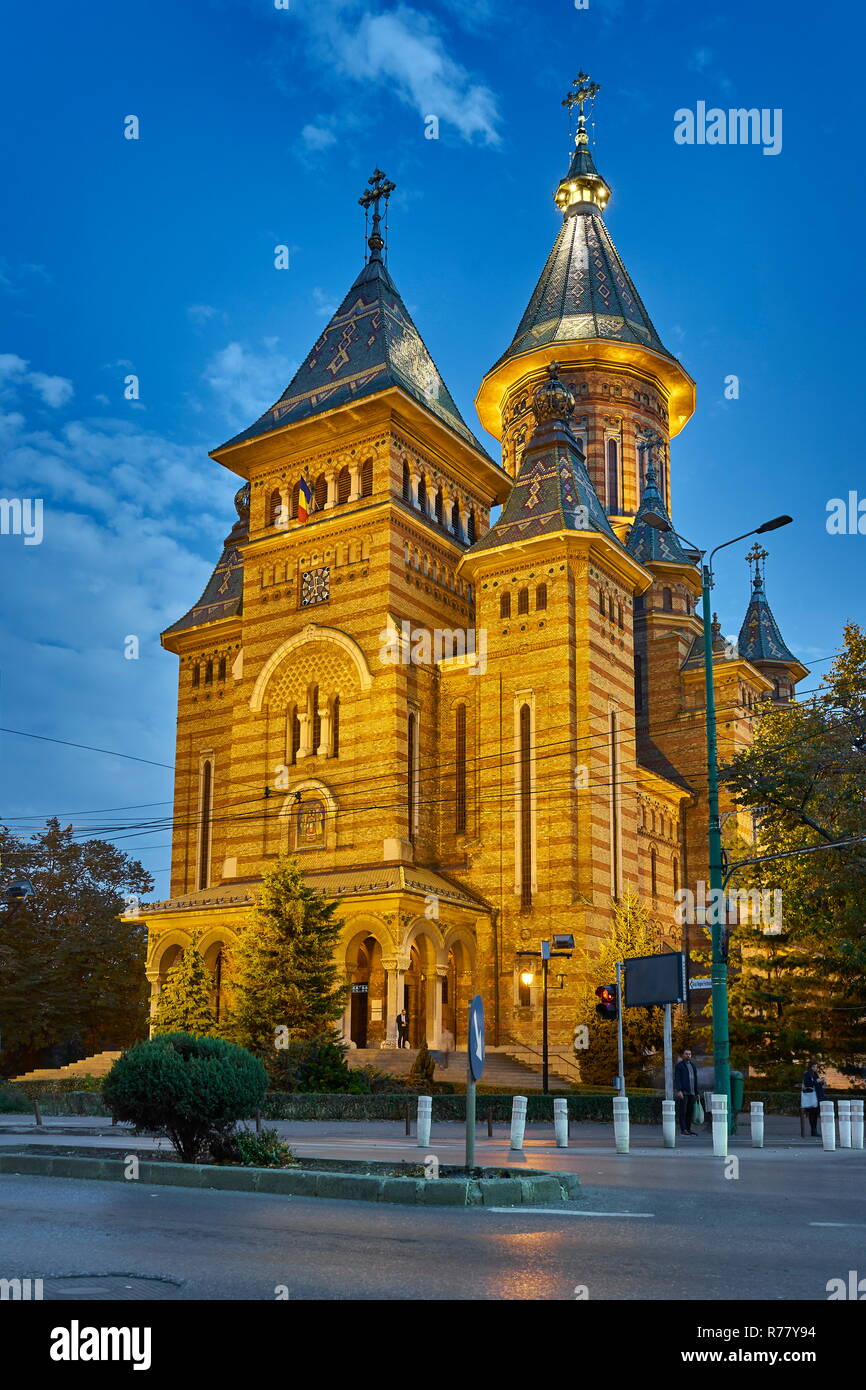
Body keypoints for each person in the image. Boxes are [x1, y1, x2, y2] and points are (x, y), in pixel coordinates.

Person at [674, 1047, 700, 1135]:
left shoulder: (693, 1066)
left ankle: (688, 1129)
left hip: (692, 1092)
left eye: (689, 1054)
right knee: (683, 1111)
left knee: (689, 1111)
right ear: (683, 1055)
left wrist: (697, 1092)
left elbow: (695, 1080)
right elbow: (677, 1079)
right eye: (686, 1054)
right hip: (684, 1092)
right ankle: (683, 1129)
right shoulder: (679, 1066)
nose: (688, 1055)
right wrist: (679, 1090)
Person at [801, 1060, 824, 1137]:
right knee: (812, 1113)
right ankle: (813, 1131)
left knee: (815, 1114)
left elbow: (817, 1083)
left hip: (817, 1096)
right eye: (814, 1066)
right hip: (812, 1096)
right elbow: (808, 1084)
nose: (815, 1068)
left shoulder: (814, 1074)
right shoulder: (807, 1074)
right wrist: (817, 1081)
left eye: (816, 1067)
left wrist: (821, 1081)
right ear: (810, 1067)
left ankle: (814, 1131)